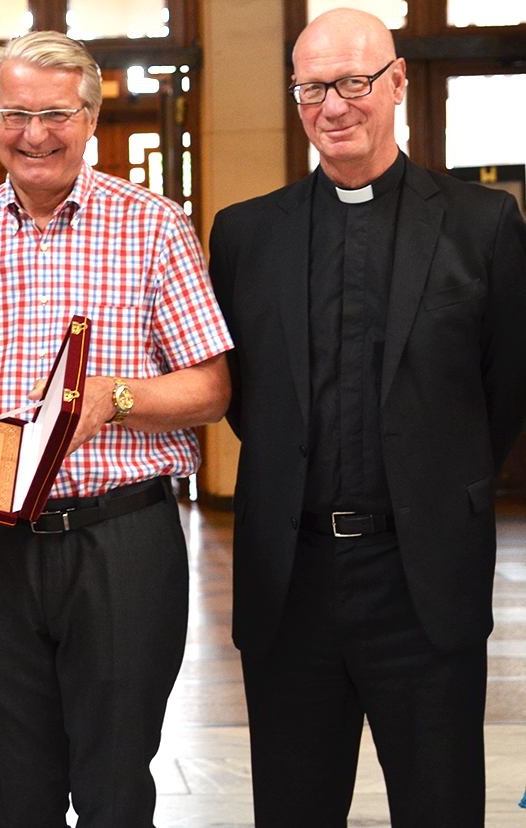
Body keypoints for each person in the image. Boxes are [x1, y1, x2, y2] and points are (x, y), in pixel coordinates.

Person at [0, 30, 232, 828]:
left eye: (55, 114)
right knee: (14, 791)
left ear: (89, 118)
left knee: (115, 788)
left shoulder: (154, 226)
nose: (35, 134)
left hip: (121, 542)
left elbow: (212, 389)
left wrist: (113, 400)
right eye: (15, 113)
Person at [208, 9, 526, 826]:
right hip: (292, 581)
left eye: (353, 82)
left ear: (396, 83)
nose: (334, 106)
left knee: (440, 806)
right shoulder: (244, 234)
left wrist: (436, 482)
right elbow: (243, 399)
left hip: (422, 579)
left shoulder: (483, 225)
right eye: (312, 88)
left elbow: (504, 391)